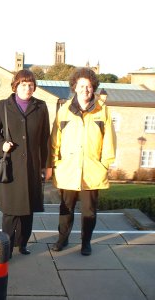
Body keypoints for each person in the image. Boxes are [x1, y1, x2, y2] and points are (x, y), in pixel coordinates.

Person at [50, 67, 116, 256]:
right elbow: (55, 139)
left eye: (88, 86)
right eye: (81, 85)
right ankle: (62, 239)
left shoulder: (102, 111)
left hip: (92, 170)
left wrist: (104, 164)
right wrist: (55, 162)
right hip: (68, 169)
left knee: (89, 211)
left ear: (93, 88)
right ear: (74, 87)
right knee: (66, 209)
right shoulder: (64, 110)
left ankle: (86, 242)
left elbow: (109, 140)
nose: (85, 89)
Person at [0, 69, 50, 257]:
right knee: (10, 210)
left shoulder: (41, 106)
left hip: (31, 167)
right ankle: (5, 246)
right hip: (11, 166)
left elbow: (45, 138)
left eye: (30, 84)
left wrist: (47, 166)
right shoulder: (2, 106)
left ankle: (22, 244)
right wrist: (2, 145)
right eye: (23, 84)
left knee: (28, 209)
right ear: (16, 85)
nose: (27, 88)